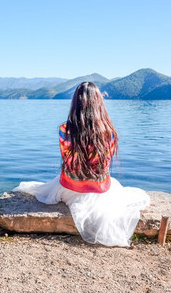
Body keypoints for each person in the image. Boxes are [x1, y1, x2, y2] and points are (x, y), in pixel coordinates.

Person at [14, 82, 150, 247]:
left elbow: (68, 161)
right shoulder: (110, 133)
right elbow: (104, 165)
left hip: (69, 188)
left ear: (75, 103)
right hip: (100, 188)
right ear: (99, 102)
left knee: (49, 186)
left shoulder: (65, 130)